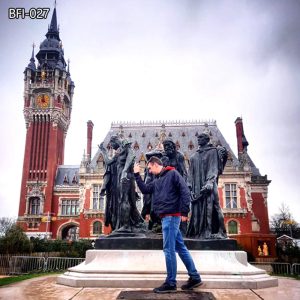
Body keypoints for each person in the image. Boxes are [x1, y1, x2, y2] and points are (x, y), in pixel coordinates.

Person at [134, 156, 202, 293]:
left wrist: (184, 211)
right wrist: (136, 175)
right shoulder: (157, 180)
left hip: (171, 217)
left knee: (168, 249)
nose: (149, 171)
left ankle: (171, 282)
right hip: (166, 217)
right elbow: (145, 189)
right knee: (180, 247)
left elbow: (185, 191)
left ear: (154, 164)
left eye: (149, 168)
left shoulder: (173, 174)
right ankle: (195, 277)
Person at [187, 133, 227, 239]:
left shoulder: (213, 151)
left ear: (207, 139)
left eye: (201, 138)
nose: (198, 139)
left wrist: (209, 182)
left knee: (215, 206)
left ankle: (221, 231)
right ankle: (199, 232)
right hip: (196, 188)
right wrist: (189, 189)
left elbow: (213, 168)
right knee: (196, 210)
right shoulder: (194, 156)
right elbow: (190, 174)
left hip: (209, 184)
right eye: (198, 138)